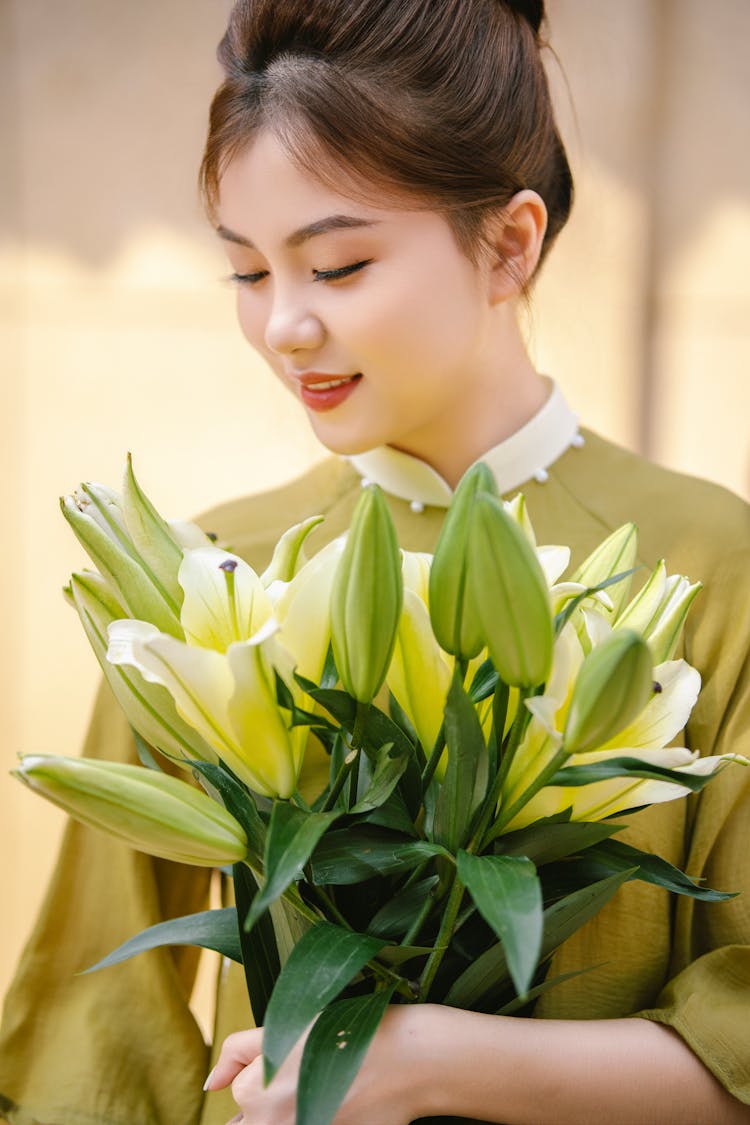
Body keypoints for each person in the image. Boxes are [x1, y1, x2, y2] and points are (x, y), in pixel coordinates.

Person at [1, 1, 749, 1123]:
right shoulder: (204, 580)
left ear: (510, 243)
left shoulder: (709, 567)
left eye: (338, 265)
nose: (284, 328)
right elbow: (97, 1035)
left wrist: (430, 1060)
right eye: (249, 274)